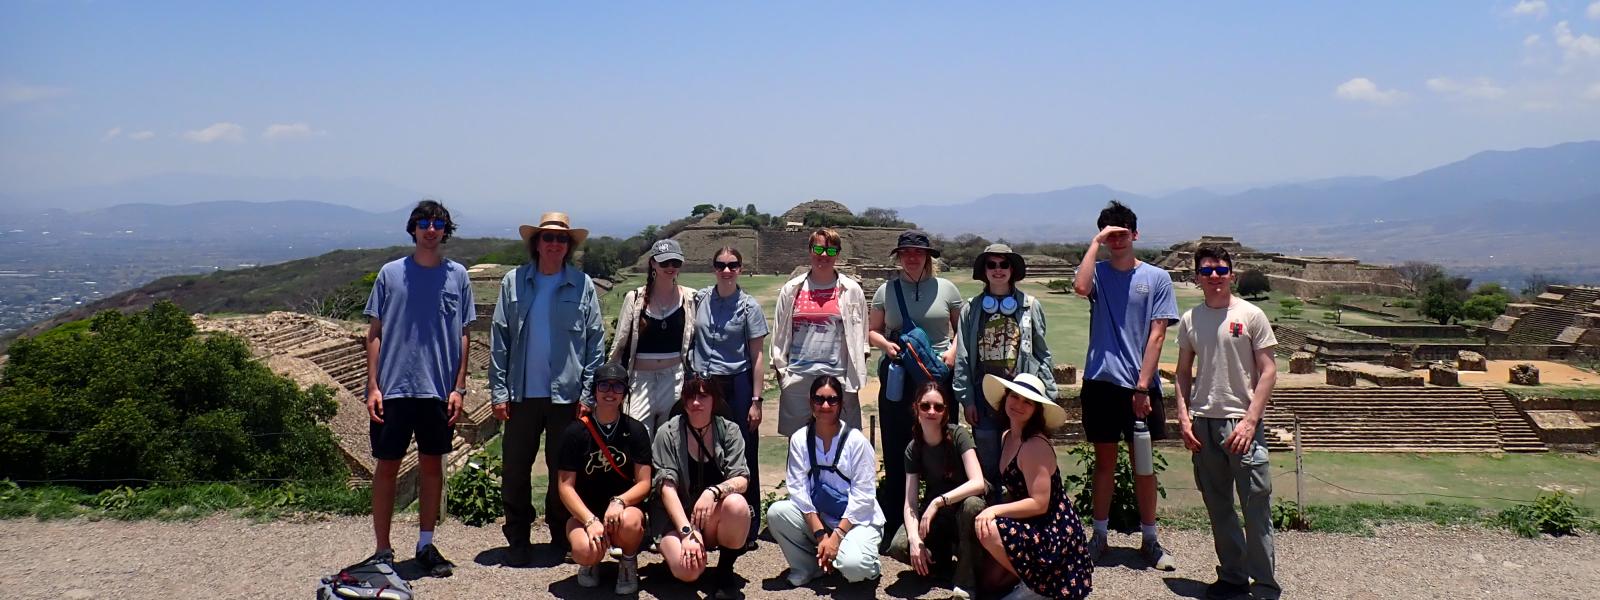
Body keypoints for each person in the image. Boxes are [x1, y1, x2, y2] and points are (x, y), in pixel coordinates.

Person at [357, 200, 474, 577]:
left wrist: (459, 387)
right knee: (386, 467)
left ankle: (425, 543)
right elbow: (373, 334)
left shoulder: (458, 276)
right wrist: (372, 386)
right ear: (413, 228)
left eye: (437, 223)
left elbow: (464, 335)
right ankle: (382, 549)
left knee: (431, 469)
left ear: (445, 230)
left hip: (437, 390)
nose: (430, 229)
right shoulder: (391, 274)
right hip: (393, 388)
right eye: (424, 222)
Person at [489, 211, 607, 565]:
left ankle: (561, 534)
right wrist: (498, 391)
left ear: (568, 246)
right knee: (514, 468)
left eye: (561, 239)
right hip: (522, 393)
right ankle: (519, 537)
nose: (554, 244)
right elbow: (500, 339)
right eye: (548, 238)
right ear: (536, 244)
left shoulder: (582, 284)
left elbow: (594, 344)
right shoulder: (513, 282)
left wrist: (588, 393)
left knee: (563, 468)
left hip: (566, 396)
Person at [1072, 200, 1179, 570]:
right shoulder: (1098, 272)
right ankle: (1098, 535)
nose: (1117, 240)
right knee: (1104, 463)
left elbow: (1158, 334)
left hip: (1139, 385)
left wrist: (1141, 387)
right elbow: (1080, 287)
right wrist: (1094, 243)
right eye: (1109, 234)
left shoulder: (1156, 278)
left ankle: (1150, 538)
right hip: (1101, 381)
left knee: (1144, 465)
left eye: (1122, 234)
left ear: (1135, 234)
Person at [1174, 245, 1280, 600]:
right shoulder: (1191, 319)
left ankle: (1264, 585)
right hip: (1204, 421)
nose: (1214, 276)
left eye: (1221, 270)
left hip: (1240, 422)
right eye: (1207, 271)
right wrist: (1184, 416)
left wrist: (1251, 421)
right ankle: (1233, 577)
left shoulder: (1251, 315)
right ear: (1197, 278)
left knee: (1256, 509)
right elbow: (1183, 373)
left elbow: (1268, 371)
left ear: (1232, 275)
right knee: (1218, 508)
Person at [869, 229, 963, 544]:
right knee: (897, 446)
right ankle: (898, 518)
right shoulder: (887, 290)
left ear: (928, 257)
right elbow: (873, 331)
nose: (912, 257)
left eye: (918, 252)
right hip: (900, 373)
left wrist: (952, 351)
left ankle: (944, 519)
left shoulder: (947, 288)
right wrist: (885, 344)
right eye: (906, 252)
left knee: (943, 446)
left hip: (938, 373)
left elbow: (961, 329)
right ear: (899, 256)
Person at [974, 373, 1092, 600]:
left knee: (989, 529)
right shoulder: (1008, 436)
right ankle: (1030, 578)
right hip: (1030, 522)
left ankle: (1038, 585)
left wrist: (993, 511)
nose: (1019, 404)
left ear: (1036, 409)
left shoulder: (1034, 446)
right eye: (1015, 397)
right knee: (989, 583)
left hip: (1052, 529)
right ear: (1005, 399)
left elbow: (1039, 503)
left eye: (1027, 401)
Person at [952, 243, 1057, 487]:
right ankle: (990, 516)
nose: (998, 270)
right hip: (983, 395)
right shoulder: (971, 309)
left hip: (1021, 395)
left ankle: (1020, 518)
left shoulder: (1030, 306)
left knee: (1021, 462)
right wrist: (967, 400)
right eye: (992, 265)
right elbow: (964, 357)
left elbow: (1042, 354)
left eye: (1003, 264)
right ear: (984, 270)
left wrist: (1048, 396)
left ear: (1012, 269)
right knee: (988, 462)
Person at [766, 375, 885, 589]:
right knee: (777, 512)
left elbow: (864, 497)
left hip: (858, 521)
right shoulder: (800, 439)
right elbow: (798, 491)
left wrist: (836, 537)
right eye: (819, 399)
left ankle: (866, 564)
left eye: (832, 400)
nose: (825, 405)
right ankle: (809, 566)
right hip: (822, 518)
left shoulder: (856, 441)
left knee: (854, 568)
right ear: (811, 402)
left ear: (841, 403)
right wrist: (821, 535)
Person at [688, 245, 768, 548]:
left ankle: (747, 524)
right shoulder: (700, 299)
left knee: (744, 451)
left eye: (732, 265)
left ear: (740, 268)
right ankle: (706, 520)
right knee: (703, 449)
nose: (726, 270)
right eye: (720, 264)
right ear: (713, 268)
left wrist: (756, 400)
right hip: (704, 383)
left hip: (736, 383)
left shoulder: (749, 307)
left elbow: (758, 355)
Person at [651, 375, 753, 599]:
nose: (695, 402)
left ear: (714, 400)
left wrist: (714, 491)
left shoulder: (730, 431)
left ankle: (725, 572)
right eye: (690, 396)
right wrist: (686, 531)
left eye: (703, 396)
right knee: (689, 572)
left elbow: (742, 480)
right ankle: (681, 555)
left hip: (711, 516)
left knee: (737, 504)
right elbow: (666, 487)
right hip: (674, 517)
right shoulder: (666, 433)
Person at [556, 362, 652, 595]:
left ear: (625, 393)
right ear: (594, 391)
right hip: (585, 513)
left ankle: (627, 561)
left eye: (617, 387)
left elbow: (644, 483)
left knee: (630, 523)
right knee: (583, 550)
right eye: (604, 386)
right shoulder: (575, 432)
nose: (610, 392)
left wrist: (619, 501)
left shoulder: (636, 431)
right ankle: (591, 562)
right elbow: (565, 486)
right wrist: (589, 520)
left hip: (623, 511)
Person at [885, 383, 988, 599]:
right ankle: (941, 564)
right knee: (899, 546)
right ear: (916, 408)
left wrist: (938, 502)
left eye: (938, 407)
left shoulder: (959, 435)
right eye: (925, 406)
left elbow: (978, 482)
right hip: (940, 519)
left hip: (964, 511)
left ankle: (965, 582)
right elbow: (910, 503)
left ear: (945, 412)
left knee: (973, 505)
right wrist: (915, 540)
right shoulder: (913, 448)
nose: (931, 411)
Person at [770, 228, 869, 437]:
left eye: (831, 251)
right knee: (799, 446)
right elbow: (778, 338)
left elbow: (862, 339)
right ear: (809, 251)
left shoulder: (852, 290)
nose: (823, 255)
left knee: (843, 445)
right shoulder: (791, 290)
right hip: (798, 379)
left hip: (839, 379)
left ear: (838, 255)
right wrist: (784, 376)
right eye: (818, 249)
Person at [612, 238, 698, 432]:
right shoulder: (634, 298)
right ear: (652, 263)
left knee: (668, 440)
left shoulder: (690, 298)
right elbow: (619, 345)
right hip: (640, 380)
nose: (670, 267)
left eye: (675, 262)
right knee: (638, 436)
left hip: (674, 379)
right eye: (664, 262)